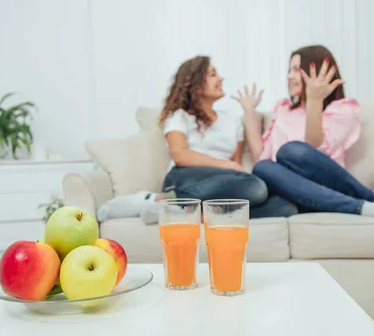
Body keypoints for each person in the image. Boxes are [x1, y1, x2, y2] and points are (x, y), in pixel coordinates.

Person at [97, 55, 298, 224]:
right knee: (257, 187)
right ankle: (162, 201)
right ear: (195, 83)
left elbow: (235, 165)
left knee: (285, 206)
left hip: (221, 184)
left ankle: (191, 216)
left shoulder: (232, 120)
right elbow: (180, 154)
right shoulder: (180, 116)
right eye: (212, 74)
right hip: (186, 177)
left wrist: (230, 168)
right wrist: (225, 165)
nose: (220, 78)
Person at [233, 44, 374, 220]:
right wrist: (249, 111)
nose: (289, 76)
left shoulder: (342, 109)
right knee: (263, 169)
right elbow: (260, 157)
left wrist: (314, 100)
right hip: (289, 191)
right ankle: (364, 208)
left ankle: (373, 201)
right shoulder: (283, 110)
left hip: (323, 184)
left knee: (290, 151)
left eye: (297, 69)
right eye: (289, 70)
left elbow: (313, 148)